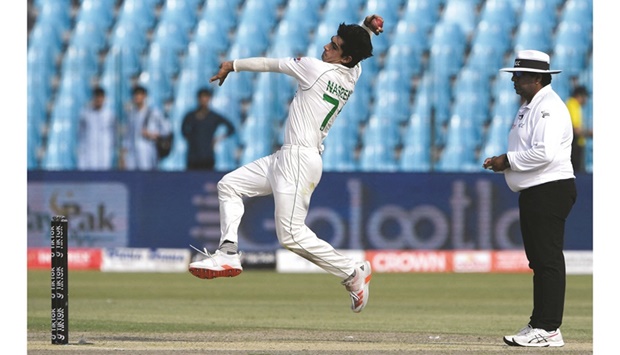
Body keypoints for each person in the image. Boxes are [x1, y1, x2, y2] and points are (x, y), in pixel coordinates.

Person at [188, 14, 384, 313]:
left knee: (290, 235)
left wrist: (232, 64)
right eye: (330, 42)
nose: (325, 47)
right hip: (288, 156)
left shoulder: (314, 69)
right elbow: (358, 52)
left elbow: (271, 64)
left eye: (333, 46)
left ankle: (351, 272)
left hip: (298, 159)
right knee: (229, 185)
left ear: (344, 57)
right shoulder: (351, 74)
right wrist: (367, 28)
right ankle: (228, 251)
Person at [483, 50, 577, 347]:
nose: (514, 80)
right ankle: (540, 324)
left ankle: (548, 328)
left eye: (519, 75)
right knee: (540, 260)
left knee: (547, 260)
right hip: (538, 189)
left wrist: (506, 160)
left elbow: (544, 153)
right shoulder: (530, 104)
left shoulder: (548, 107)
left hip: (550, 188)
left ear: (537, 78)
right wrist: (504, 162)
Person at [181, 87, 236, 170]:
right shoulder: (190, 116)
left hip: (207, 156)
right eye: (202, 97)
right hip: (193, 156)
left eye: (206, 97)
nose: (204, 100)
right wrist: (192, 139)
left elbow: (231, 128)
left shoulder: (213, 116)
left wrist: (219, 138)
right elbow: (183, 130)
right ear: (198, 99)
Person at [120, 85, 171, 170]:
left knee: (146, 175)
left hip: (148, 150)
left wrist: (152, 134)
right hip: (133, 152)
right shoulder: (131, 114)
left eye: (139, 95)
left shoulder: (153, 113)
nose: (137, 97)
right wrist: (123, 155)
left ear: (144, 96)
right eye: (135, 95)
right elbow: (128, 136)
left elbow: (166, 130)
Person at [77, 86, 117, 170]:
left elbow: (113, 133)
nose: (99, 100)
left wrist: (110, 146)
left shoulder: (109, 115)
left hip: (105, 150)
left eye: (101, 97)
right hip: (89, 149)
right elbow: (81, 132)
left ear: (104, 98)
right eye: (96, 97)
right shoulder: (85, 114)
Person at [566, 85, 592, 173]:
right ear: (579, 96)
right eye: (585, 96)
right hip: (575, 145)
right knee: (578, 173)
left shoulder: (574, 105)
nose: (586, 100)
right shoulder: (573, 104)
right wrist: (590, 133)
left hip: (576, 144)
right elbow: (576, 130)